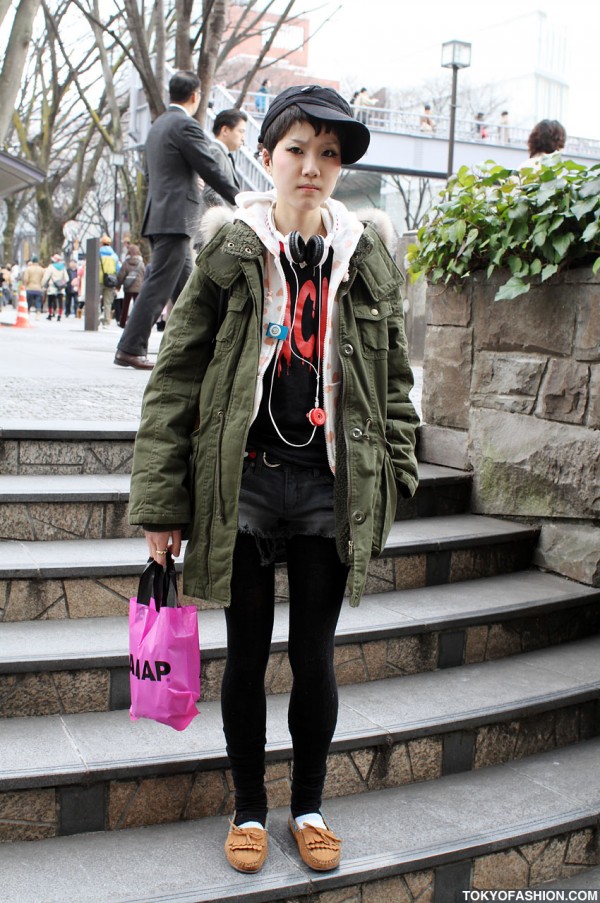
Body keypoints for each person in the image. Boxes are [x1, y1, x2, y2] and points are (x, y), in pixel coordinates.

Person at [128, 84, 419, 876]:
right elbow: (176, 378)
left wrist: (397, 473)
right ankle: (250, 806)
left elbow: (394, 381)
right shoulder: (229, 251)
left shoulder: (365, 255)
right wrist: (161, 502)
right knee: (248, 655)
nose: (312, 168)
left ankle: (311, 804)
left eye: (328, 154)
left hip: (330, 487)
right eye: (297, 150)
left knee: (316, 654)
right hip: (246, 487)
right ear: (266, 156)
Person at [114, 70, 239, 370]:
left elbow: (152, 173)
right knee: (158, 284)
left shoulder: (158, 126)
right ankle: (130, 347)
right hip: (175, 218)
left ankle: (197, 347)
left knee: (188, 287)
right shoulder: (185, 125)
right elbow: (209, 166)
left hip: (160, 214)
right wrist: (241, 199)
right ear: (195, 97)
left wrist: (184, 180)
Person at [202, 108, 247, 212]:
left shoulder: (223, 154)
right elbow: (210, 193)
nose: (243, 138)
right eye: (241, 131)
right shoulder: (216, 152)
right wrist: (230, 218)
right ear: (225, 130)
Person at [115, 242, 145, 328]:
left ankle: (122, 322)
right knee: (137, 306)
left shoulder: (126, 263)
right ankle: (137, 323)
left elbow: (121, 275)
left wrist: (118, 285)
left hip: (128, 287)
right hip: (138, 288)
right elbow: (144, 274)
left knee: (125, 306)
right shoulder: (141, 263)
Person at [98, 235, 120, 326]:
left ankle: (96, 318)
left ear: (101, 243)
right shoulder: (114, 256)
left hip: (98, 280)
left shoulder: (98, 254)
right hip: (110, 281)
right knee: (108, 302)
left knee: (96, 300)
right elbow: (118, 269)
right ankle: (107, 321)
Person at [41, 254, 67, 320]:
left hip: (52, 286)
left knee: (50, 301)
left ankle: (50, 314)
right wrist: (62, 282)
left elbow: (46, 277)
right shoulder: (63, 267)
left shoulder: (51, 267)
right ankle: (59, 315)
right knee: (60, 301)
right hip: (60, 287)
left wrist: (42, 284)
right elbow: (67, 278)